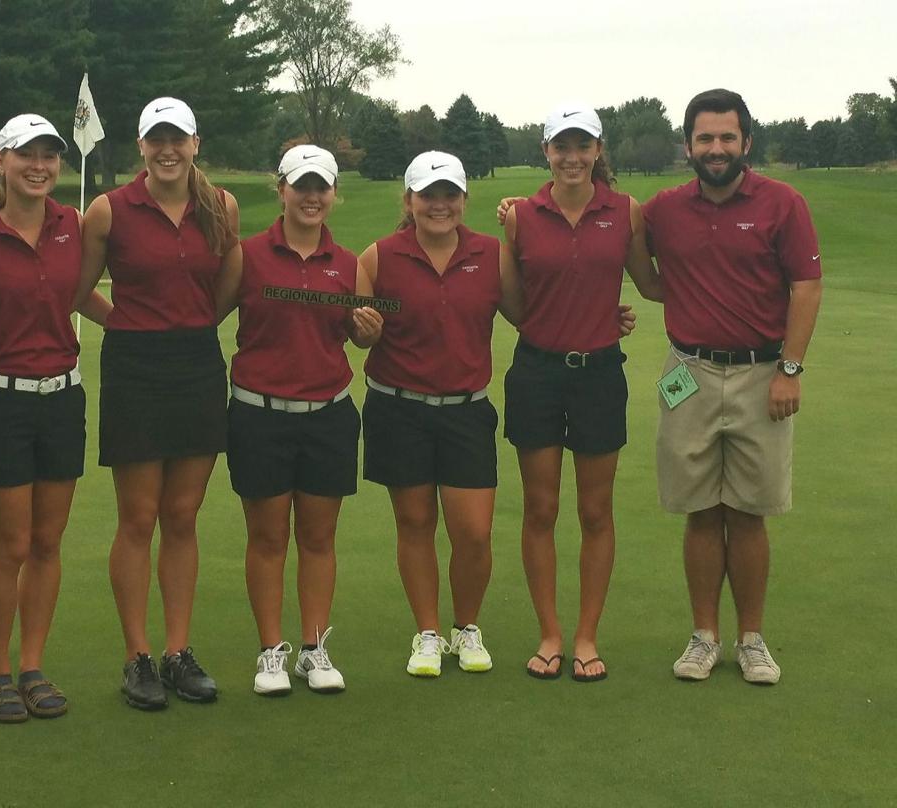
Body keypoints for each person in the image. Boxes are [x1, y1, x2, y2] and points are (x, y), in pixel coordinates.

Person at [646, 89, 822, 685]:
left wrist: (790, 370)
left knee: (747, 513)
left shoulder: (782, 203)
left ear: (747, 142)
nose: (715, 149)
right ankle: (704, 637)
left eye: (727, 138)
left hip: (761, 374)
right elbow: (625, 256)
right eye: (704, 138)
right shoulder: (665, 209)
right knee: (700, 511)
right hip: (687, 375)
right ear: (688, 144)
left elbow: (806, 286)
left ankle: (751, 639)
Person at [74, 97, 239, 710]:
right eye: (155, 140)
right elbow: (77, 287)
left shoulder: (220, 207)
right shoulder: (109, 210)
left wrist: (191, 325)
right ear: (142, 147)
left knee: (183, 514)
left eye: (178, 138)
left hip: (196, 364)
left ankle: (177, 652)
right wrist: (126, 322)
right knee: (139, 517)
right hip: (135, 369)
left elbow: (225, 285)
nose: (167, 150)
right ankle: (138, 656)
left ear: (196, 142)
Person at [0, 114, 112, 722]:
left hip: (62, 398)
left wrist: (135, 326)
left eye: (49, 155)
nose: (40, 165)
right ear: (1, 160)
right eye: (27, 155)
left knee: (48, 542)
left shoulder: (72, 225)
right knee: (11, 544)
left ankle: (32, 666)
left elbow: (79, 296)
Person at [500, 103, 662, 683]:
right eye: (560, 146)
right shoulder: (519, 215)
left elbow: (649, 284)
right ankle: (550, 633)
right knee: (540, 508)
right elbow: (515, 305)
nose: (571, 157)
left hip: (598, 374)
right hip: (537, 373)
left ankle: (587, 635)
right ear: (545, 151)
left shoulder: (626, 212)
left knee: (596, 510)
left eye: (582, 146)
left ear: (599, 151)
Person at [213, 145, 383, 695]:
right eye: (301, 185)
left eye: (322, 186)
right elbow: (205, 314)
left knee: (318, 537)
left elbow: (359, 334)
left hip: (327, 415)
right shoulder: (248, 255)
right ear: (280, 189)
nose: (312, 196)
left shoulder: (349, 263)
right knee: (266, 538)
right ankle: (271, 653)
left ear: (334, 193)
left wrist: (367, 332)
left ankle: (313, 649)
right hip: (259, 414)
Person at [359, 151, 519, 678]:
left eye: (449, 194)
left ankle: (466, 627)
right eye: (428, 195)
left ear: (464, 200)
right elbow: (352, 329)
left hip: (466, 411)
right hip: (398, 409)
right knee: (416, 523)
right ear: (408, 201)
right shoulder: (378, 258)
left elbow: (531, 313)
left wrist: (601, 318)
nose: (439, 205)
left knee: (472, 531)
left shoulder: (492, 255)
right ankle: (428, 632)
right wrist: (365, 332)